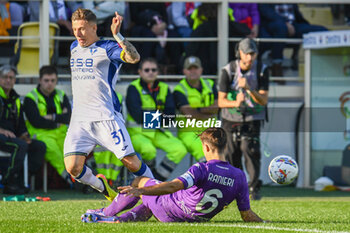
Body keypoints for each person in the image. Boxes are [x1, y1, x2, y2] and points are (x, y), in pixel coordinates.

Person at [81, 127, 265, 223]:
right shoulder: (240, 176)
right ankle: (119, 221)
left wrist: (140, 190)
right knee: (149, 205)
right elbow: (247, 215)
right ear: (225, 147)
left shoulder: (202, 168)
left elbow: (173, 186)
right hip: (192, 218)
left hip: (169, 208)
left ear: (206, 147)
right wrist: (265, 222)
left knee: (138, 181)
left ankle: (104, 213)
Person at [64, 8, 153, 202]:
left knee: (131, 163)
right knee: (72, 167)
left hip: (106, 117)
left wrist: (118, 35)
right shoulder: (74, 47)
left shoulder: (107, 47)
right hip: (79, 120)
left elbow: (134, 58)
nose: (78, 34)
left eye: (82, 29)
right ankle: (104, 188)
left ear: (94, 27)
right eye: (74, 29)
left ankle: (157, 196)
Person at [218, 38, 269, 200]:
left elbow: (263, 100)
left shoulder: (262, 70)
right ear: (239, 53)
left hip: (253, 117)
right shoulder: (228, 70)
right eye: (246, 53)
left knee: (250, 151)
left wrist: (249, 88)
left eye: (253, 53)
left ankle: (253, 188)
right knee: (231, 153)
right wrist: (235, 102)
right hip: (230, 118)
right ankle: (234, 188)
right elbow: (221, 101)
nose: (249, 57)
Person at [126, 57, 187, 181]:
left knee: (179, 149)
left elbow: (171, 115)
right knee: (149, 150)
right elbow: (137, 115)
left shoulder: (164, 88)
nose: (150, 72)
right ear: (140, 72)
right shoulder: (133, 88)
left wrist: (149, 115)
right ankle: (148, 179)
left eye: (153, 70)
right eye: (146, 70)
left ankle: (157, 179)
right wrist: (160, 115)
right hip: (138, 133)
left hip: (158, 132)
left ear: (158, 72)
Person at [23, 65, 72, 186]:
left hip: (62, 133)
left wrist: (51, 117)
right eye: (46, 80)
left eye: (52, 81)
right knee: (54, 152)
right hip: (40, 134)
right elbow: (36, 121)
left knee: (71, 151)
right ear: (40, 80)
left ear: (56, 81)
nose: (49, 84)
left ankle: (78, 177)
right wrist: (59, 119)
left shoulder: (61, 95)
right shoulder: (31, 98)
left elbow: (69, 117)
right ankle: (71, 180)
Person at [0, 65, 46, 194]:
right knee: (19, 146)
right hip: (1, 136)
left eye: (11, 77)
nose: (8, 80)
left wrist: (24, 135)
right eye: (4, 77)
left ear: (14, 80)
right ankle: (8, 181)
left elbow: (20, 124)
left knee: (39, 146)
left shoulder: (16, 100)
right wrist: (2, 130)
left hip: (12, 138)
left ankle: (20, 180)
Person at [258, 3, 328, 77]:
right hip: (272, 26)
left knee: (322, 31)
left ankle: (321, 69)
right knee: (281, 27)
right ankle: (277, 65)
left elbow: (297, 16)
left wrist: (304, 25)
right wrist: (286, 23)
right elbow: (267, 13)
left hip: (293, 25)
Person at [173, 56, 218, 162]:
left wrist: (198, 110)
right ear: (184, 71)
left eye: (195, 68)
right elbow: (189, 114)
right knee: (205, 153)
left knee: (226, 148)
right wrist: (208, 113)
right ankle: (205, 177)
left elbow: (216, 107)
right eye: (190, 69)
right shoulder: (179, 89)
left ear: (201, 70)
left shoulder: (210, 84)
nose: (193, 71)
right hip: (189, 132)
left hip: (211, 130)